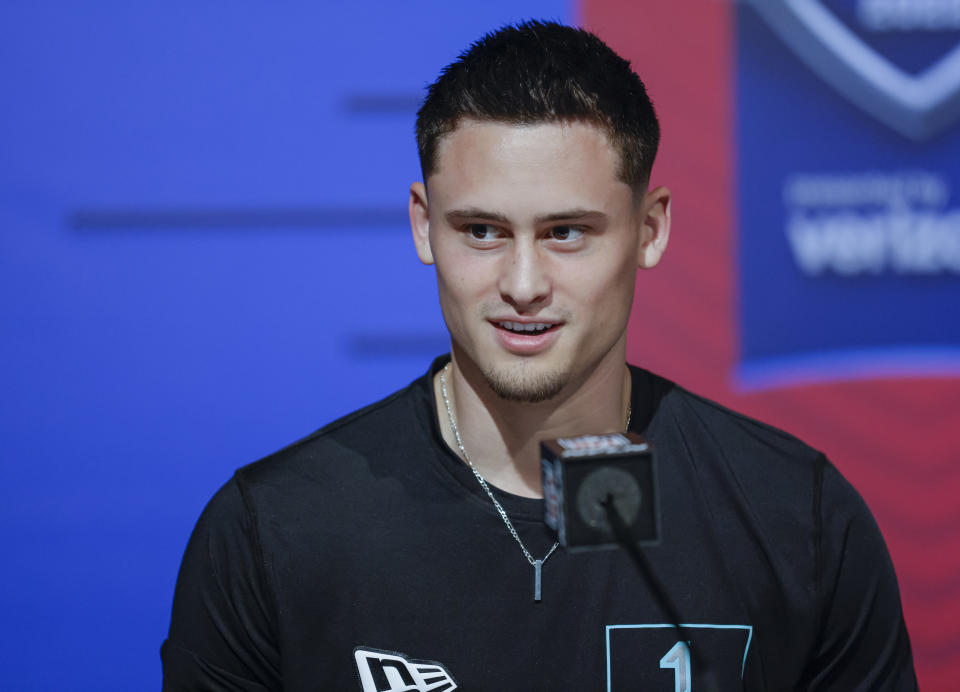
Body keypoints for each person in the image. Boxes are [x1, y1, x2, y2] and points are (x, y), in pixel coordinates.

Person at [161, 21, 917, 691]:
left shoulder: (798, 520)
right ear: (424, 226)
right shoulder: (273, 533)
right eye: (482, 231)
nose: (523, 285)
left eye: (567, 232)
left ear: (650, 229)